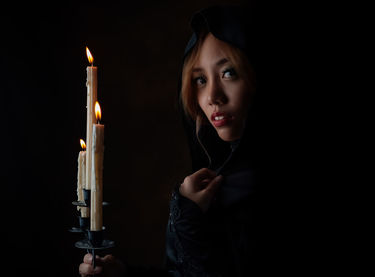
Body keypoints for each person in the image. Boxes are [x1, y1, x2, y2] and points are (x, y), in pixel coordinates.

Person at [79, 4, 270, 276]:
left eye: (228, 73)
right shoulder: (212, 184)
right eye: (200, 79)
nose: (212, 96)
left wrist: (189, 222)